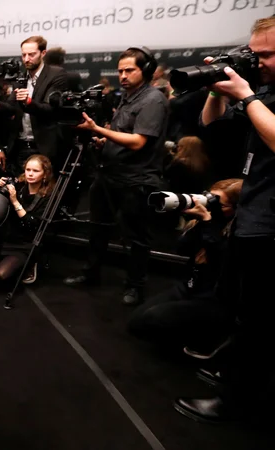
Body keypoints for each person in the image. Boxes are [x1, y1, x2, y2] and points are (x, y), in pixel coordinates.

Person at [174, 17, 275, 423]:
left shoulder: (258, 95)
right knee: (244, 310)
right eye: (254, 52)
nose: (258, 60)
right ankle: (235, 374)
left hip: (270, 225)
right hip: (253, 215)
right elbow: (211, 126)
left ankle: (239, 402)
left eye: (266, 53)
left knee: (262, 320)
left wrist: (248, 96)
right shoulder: (266, 90)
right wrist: (215, 90)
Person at [64, 47, 169, 306]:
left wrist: (97, 128)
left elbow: (137, 141)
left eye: (129, 70)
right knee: (98, 228)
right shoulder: (127, 97)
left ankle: (135, 285)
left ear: (144, 70)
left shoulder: (153, 99)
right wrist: (103, 140)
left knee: (135, 237)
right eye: (120, 71)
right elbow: (121, 133)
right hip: (109, 174)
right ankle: (91, 273)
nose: (122, 75)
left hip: (137, 179)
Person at [128, 179, 241, 352]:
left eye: (219, 203)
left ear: (235, 208)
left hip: (214, 299)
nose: (211, 205)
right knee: (136, 322)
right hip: (190, 288)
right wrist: (199, 223)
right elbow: (182, 248)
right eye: (210, 198)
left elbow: (222, 259)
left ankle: (208, 341)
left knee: (154, 319)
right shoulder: (208, 222)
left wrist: (208, 223)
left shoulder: (239, 232)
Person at [5, 36, 70, 171]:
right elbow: (11, 106)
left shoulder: (56, 74)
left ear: (43, 53)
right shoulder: (21, 78)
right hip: (21, 145)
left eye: (31, 54)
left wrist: (28, 102)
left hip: (44, 146)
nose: (26, 59)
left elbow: (51, 109)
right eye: (24, 55)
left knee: (46, 190)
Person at [0, 154, 54, 286]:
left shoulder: (48, 197)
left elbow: (33, 225)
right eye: (28, 170)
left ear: (45, 175)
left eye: (36, 171)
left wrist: (15, 202)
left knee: (1, 275)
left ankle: (31, 263)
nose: (30, 174)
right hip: (7, 238)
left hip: (26, 244)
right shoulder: (19, 186)